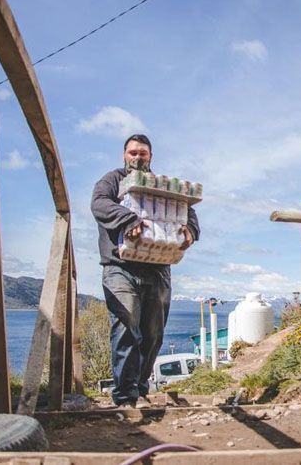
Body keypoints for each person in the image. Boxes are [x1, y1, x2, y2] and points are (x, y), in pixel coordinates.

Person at [91, 134, 200, 407]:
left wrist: (191, 232)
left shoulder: (162, 187)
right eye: (132, 153)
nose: (137, 157)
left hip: (158, 268)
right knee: (126, 326)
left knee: (153, 334)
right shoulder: (112, 180)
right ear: (124, 155)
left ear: (151, 156)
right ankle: (125, 395)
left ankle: (140, 390)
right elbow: (99, 204)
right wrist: (129, 219)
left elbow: (190, 216)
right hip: (120, 267)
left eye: (143, 153)